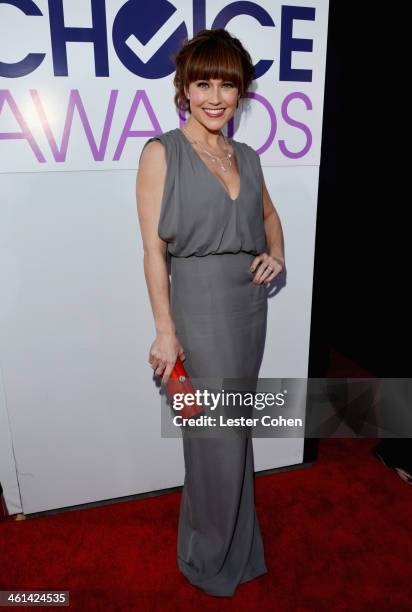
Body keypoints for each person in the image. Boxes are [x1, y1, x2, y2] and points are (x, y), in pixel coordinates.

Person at [136, 28, 285, 597]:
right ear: (185, 88)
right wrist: (165, 332)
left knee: (233, 432)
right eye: (204, 83)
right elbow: (154, 250)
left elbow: (270, 217)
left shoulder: (245, 155)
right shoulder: (161, 152)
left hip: (247, 308)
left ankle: (238, 549)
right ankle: (208, 555)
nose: (216, 96)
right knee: (212, 436)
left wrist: (276, 255)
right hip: (197, 307)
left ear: (242, 90)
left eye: (228, 84)